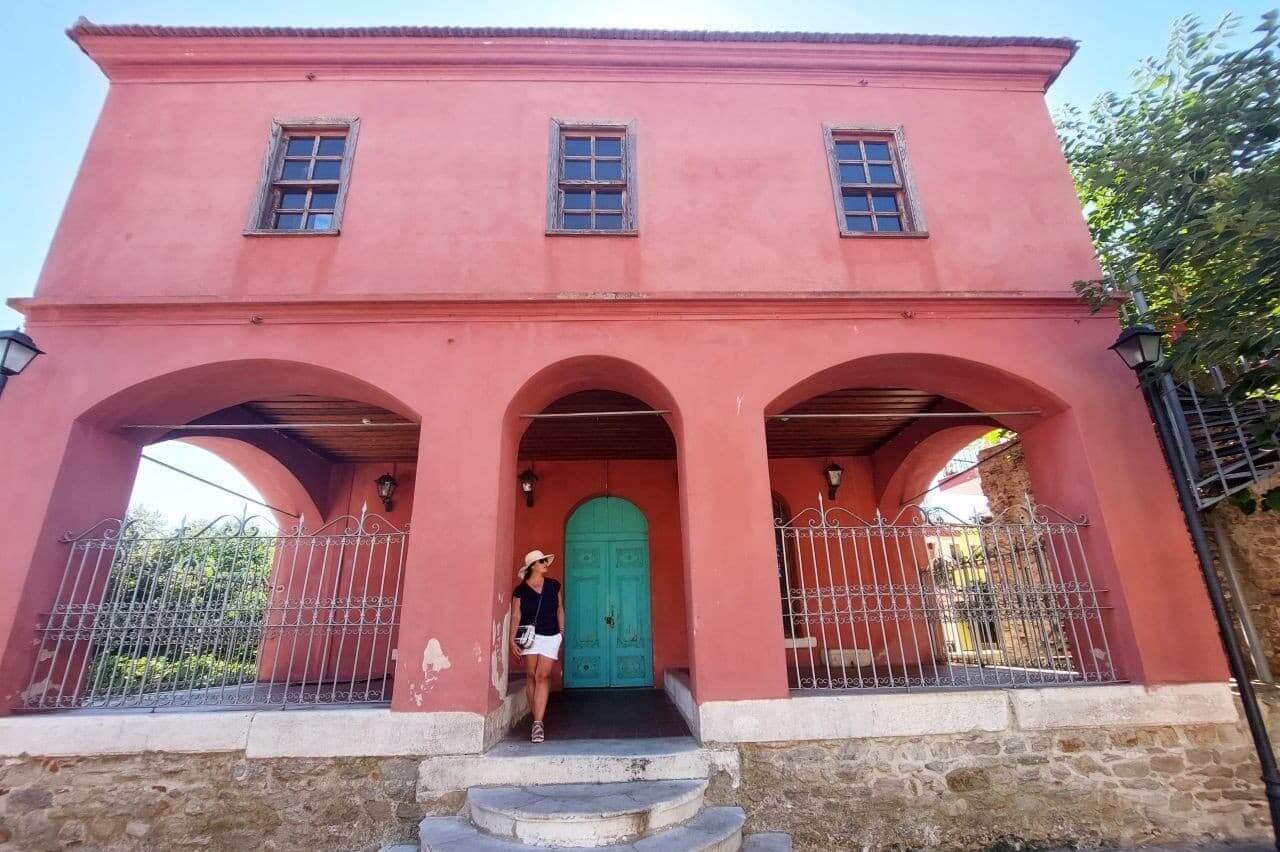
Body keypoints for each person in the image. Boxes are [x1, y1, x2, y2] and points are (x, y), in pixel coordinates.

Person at [511, 549, 564, 743]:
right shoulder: (520, 590)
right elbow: (516, 615)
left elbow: (560, 608)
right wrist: (511, 639)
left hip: (550, 635)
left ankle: (537, 723)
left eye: (545, 561)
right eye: (541, 561)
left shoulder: (553, 585)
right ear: (533, 566)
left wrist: (561, 632)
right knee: (532, 675)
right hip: (530, 637)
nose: (545, 564)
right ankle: (537, 720)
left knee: (543, 675)